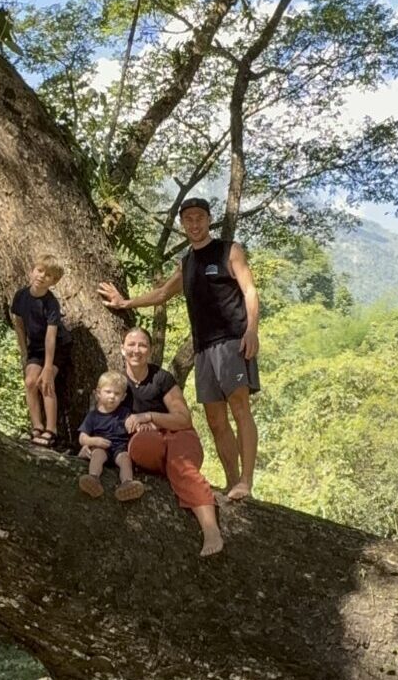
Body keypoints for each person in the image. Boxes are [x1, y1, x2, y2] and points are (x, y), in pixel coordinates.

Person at [98, 197, 261, 500]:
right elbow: (161, 293)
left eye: (200, 217)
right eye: (188, 219)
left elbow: (250, 290)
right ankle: (232, 483)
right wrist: (125, 302)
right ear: (183, 224)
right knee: (215, 420)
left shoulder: (229, 251)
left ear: (208, 220)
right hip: (203, 350)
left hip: (232, 341)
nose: (195, 224)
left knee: (240, 409)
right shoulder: (187, 264)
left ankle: (247, 483)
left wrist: (252, 330)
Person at [117, 326, 226, 557]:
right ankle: (170, 465)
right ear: (122, 349)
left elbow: (183, 419)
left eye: (142, 345)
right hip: (149, 445)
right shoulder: (116, 383)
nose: (136, 350)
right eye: (131, 345)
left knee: (181, 463)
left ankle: (210, 530)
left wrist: (149, 417)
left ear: (150, 350)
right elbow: (102, 419)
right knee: (144, 442)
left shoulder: (161, 378)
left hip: (179, 437)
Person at [11, 254, 71, 447]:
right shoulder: (21, 296)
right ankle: (36, 426)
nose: (42, 277)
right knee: (30, 382)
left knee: (45, 382)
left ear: (54, 282)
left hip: (57, 347)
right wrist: (24, 352)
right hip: (35, 346)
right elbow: (19, 324)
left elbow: (51, 336)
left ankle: (51, 429)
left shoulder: (51, 303)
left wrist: (47, 367)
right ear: (32, 270)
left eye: (49, 275)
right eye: (40, 271)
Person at [76, 371, 146, 502]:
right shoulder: (93, 416)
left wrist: (139, 427)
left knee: (125, 459)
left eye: (117, 393)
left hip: (120, 448)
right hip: (101, 447)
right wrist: (93, 440)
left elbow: (133, 426)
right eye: (108, 392)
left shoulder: (125, 413)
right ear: (98, 393)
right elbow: (82, 437)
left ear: (124, 397)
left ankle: (127, 483)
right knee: (97, 455)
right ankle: (93, 478)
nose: (112, 396)